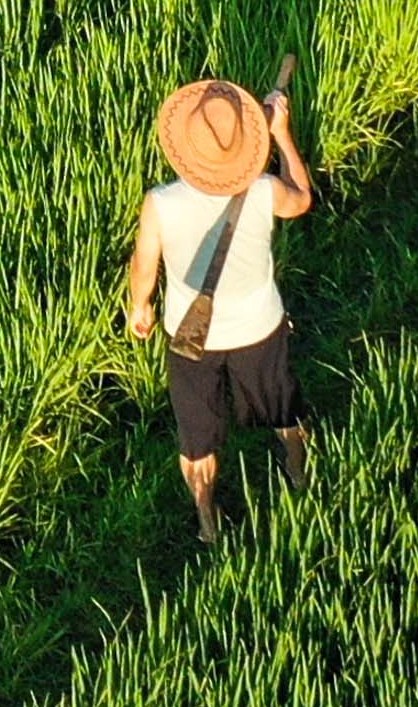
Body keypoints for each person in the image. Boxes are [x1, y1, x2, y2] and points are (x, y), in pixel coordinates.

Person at [120, 74, 312, 540]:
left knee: (197, 433)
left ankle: (207, 517)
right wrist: (283, 136)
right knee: (281, 408)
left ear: (186, 148)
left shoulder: (161, 202)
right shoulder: (265, 190)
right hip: (258, 328)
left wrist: (139, 307)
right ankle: (298, 471)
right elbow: (302, 200)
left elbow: (145, 264)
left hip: (191, 335)